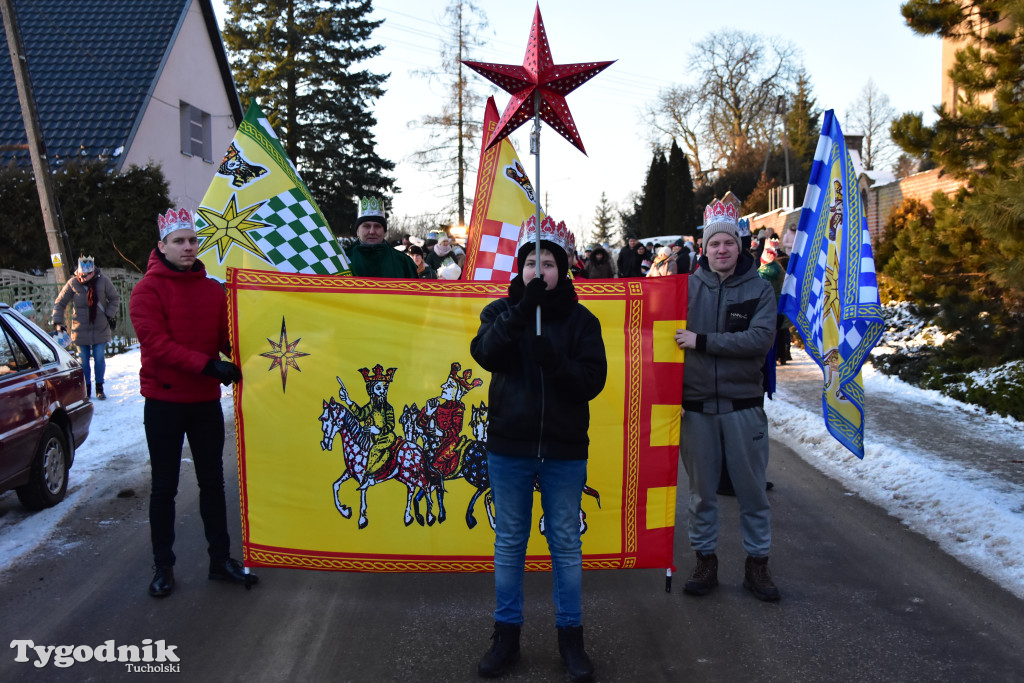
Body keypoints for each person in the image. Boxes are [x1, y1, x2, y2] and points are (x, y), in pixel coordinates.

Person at [470, 215, 607, 682]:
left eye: (548, 263)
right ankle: (506, 635)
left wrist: (557, 363)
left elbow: (591, 381)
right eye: (531, 262)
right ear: (520, 268)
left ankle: (571, 637)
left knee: (565, 543)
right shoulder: (499, 312)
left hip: (564, 452)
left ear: (562, 270)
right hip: (510, 447)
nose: (539, 271)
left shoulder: (582, 321)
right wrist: (521, 312)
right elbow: (485, 353)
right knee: (510, 542)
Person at [129, 207, 257, 598]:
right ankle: (163, 566)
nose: (188, 247)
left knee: (213, 483)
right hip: (164, 402)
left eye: (192, 240)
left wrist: (260, 354)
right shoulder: (146, 290)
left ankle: (220, 560)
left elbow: (227, 339)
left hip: (204, 402)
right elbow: (157, 344)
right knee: (164, 488)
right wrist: (208, 366)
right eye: (179, 241)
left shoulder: (213, 290)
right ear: (162, 246)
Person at [673, 199, 780, 602]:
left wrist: (702, 342)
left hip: (743, 407)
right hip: (696, 409)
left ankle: (758, 565)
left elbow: (759, 340)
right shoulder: (684, 289)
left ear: (740, 246)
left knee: (752, 494)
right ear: (704, 247)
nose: (722, 249)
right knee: (701, 495)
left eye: (728, 243)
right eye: (715, 243)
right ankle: (705, 561)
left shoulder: (759, 289)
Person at [52, 256, 121, 400]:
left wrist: (109, 314)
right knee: (83, 360)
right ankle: (86, 389)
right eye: (81, 275)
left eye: (86, 275)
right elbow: (60, 302)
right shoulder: (73, 283)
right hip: (80, 329)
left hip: (100, 327)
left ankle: (99, 387)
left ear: (93, 272)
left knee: (99, 358)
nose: (83, 278)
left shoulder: (103, 281)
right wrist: (58, 321)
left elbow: (115, 298)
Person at [344, 197, 418, 278]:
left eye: (377, 226)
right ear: (357, 231)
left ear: (384, 232)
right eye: (367, 226)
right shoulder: (344, 260)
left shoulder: (404, 263)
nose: (372, 231)